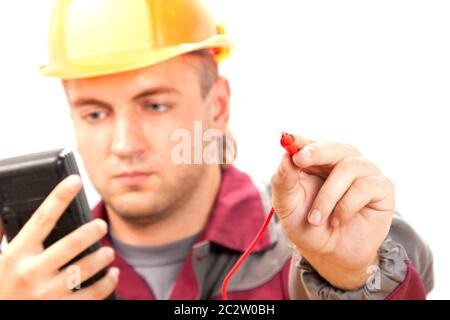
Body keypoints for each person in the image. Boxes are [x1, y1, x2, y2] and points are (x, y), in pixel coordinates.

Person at [0, 0, 433, 300]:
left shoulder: (313, 248)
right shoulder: (35, 281)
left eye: (154, 105)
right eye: (95, 114)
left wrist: (354, 277)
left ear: (218, 105)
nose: (124, 145)